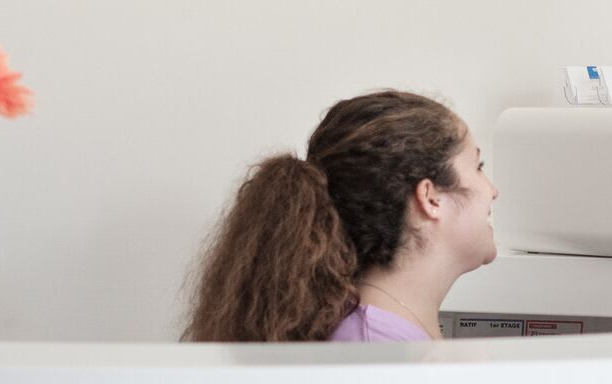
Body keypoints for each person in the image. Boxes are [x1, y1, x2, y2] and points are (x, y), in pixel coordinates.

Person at [183, 90, 498, 342]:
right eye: (478, 167)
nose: (492, 190)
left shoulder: (381, 338)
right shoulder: (375, 350)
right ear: (431, 198)